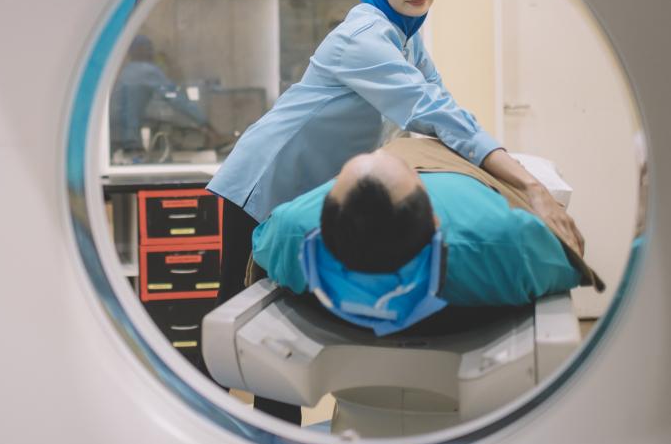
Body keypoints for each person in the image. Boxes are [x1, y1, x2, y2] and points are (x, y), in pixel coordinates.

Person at [205, 0, 581, 418]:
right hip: (262, 180)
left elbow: (446, 107)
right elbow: (434, 113)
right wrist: (528, 185)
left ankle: (267, 428)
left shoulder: (407, 36)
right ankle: (197, 421)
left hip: (302, 188)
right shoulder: (362, 37)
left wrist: (497, 169)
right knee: (243, 322)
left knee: (273, 324)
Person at [251, 139, 597, 335]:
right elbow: (566, 262)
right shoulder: (505, 243)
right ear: (434, 218)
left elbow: (261, 244)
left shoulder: (292, 230)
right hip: (457, 170)